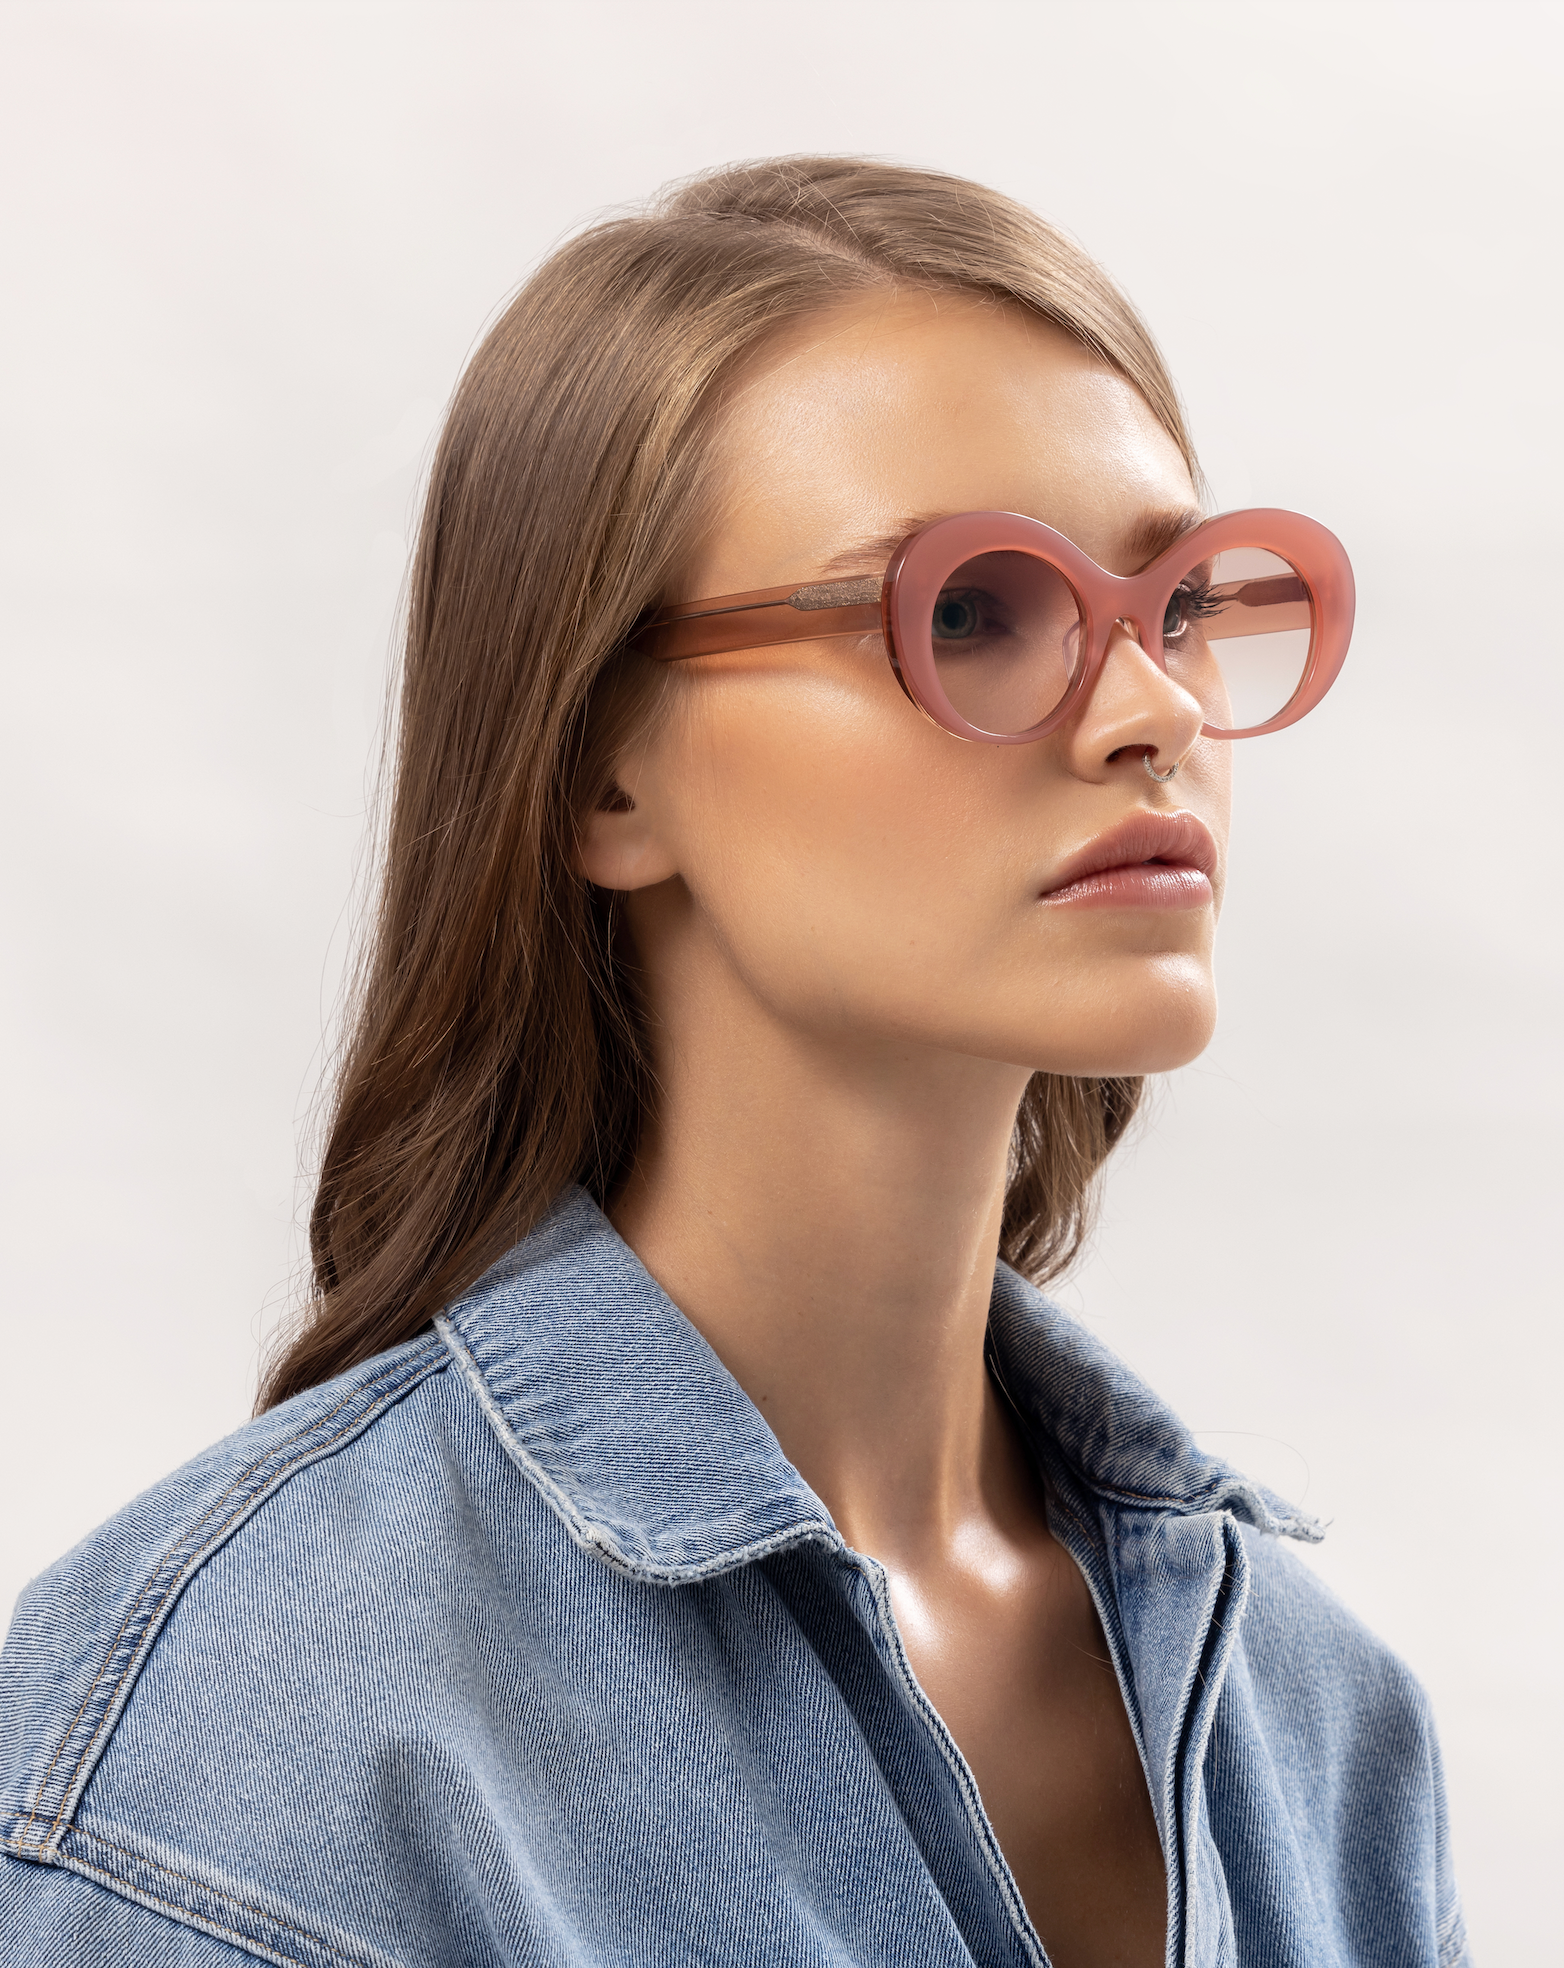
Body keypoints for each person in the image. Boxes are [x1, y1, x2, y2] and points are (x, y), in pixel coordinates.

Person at [0, 157, 1467, 1968]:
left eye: (1175, 601)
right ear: (608, 769)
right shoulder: (234, 1761)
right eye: (972, 611)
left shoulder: (1322, 1735)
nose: (1156, 709)